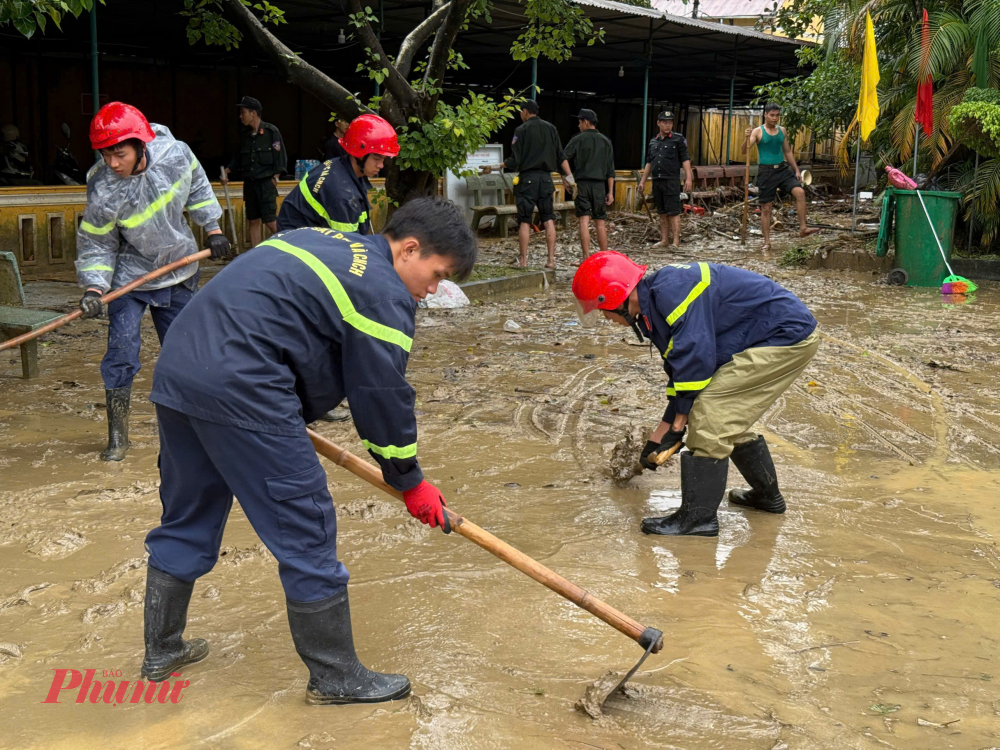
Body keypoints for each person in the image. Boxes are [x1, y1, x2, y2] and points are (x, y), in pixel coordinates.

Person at [139, 198, 477, 705]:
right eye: (436, 275)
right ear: (410, 249)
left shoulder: (316, 237)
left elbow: (280, 321)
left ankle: (161, 650)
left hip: (180, 372)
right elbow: (381, 395)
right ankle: (336, 677)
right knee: (305, 521)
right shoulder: (382, 291)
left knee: (189, 512)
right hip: (244, 383)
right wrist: (409, 480)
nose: (431, 291)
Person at [572, 252, 819, 537]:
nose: (605, 318)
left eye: (602, 310)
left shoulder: (672, 297)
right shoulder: (655, 304)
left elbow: (696, 362)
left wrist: (678, 427)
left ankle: (698, 520)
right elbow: (681, 374)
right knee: (725, 415)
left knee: (710, 414)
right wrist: (659, 438)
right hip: (764, 335)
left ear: (616, 297)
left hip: (785, 337)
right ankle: (766, 497)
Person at [75, 102, 229, 462]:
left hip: (178, 269)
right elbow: (97, 242)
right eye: (106, 154)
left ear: (140, 146)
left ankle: (198, 429)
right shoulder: (102, 186)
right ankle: (118, 436)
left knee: (187, 353)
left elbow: (199, 187)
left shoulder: (175, 155)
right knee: (121, 352)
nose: (113, 163)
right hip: (129, 279)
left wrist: (212, 228)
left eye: (120, 154)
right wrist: (95, 287)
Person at [278, 114, 397, 235]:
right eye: (376, 158)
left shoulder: (341, 167)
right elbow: (348, 242)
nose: (381, 165)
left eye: (383, 159)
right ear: (359, 154)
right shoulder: (342, 194)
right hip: (298, 241)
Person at [503, 100, 575, 269]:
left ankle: (523, 261)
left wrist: (500, 165)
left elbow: (515, 160)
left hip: (527, 180)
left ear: (525, 112)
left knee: (524, 221)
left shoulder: (521, 130)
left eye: (521, 112)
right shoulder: (551, 128)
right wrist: (570, 178)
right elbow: (560, 156)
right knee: (548, 219)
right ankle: (550, 260)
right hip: (546, 180)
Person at [743, 103, 820, 252]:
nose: (775, 118)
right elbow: (744, 151)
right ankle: (767, 242)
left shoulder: (782, 130)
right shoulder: (757, 132)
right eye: (772, 115)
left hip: (782, 169)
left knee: (800, 192)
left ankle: (803, 228)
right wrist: (746, 138)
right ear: (765, 115)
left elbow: (788, 151)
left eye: (777, 115)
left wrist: (796, 170)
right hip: (766, 172)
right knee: (766, 208)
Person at [223, 96, 286, 248]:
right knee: (253, 220)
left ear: (254, 113)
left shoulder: (271, 132)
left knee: (270, 220)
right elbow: (238, 158)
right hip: (250, 184)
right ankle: (255, 253)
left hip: (265, 184)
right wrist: (226, 171)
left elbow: (281, 159)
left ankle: (288, 248)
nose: (240, 116)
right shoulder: (245, 135)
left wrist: (275, 179)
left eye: (243, 112)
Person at [564, 108, 615, 258]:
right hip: (599, 186)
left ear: (586, 122)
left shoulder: (577, 139)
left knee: (584, 221)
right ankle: (604, 257)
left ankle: (586, 258)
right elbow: (610, 170)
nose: (578, 125)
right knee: (600, 222)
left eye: (579, 122)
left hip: (582, 185)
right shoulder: (606, 141)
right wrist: (610, 192)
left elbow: (562, 158)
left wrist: (567, 179)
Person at [638, 112, 692, 249]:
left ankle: (675, 242)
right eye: (665, 122)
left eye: (670, 122)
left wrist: (688, 178)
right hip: (657, 180)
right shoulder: (653, 142)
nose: (668, 125)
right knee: (661, 212)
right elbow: (649, 162)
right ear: (658, 123)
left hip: (671, 181)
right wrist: (642, 181)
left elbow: (685, 159)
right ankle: (664, 240)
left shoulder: (678, 139)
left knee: (673, 212)